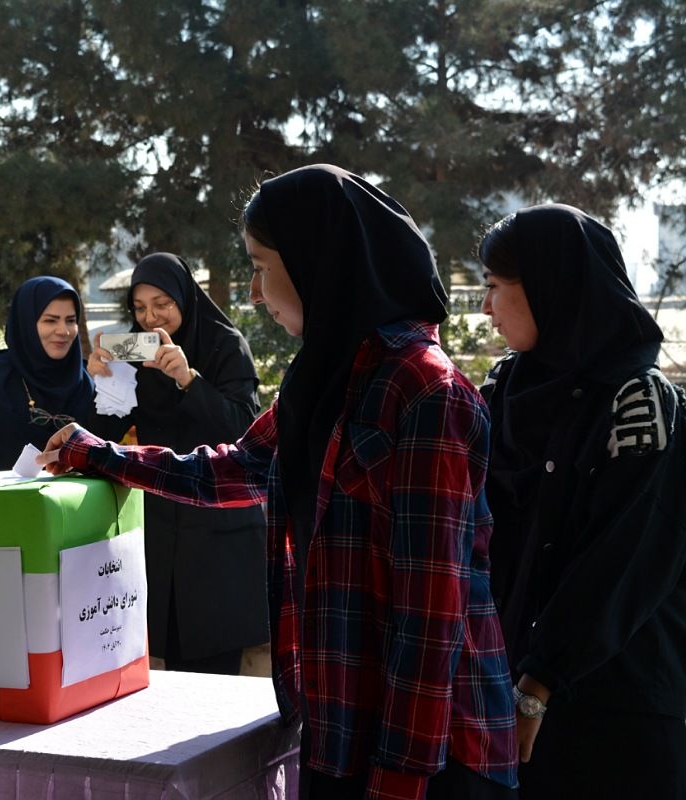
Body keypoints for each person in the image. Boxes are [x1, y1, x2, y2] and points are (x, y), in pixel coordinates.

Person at [38, 165, 518, 799]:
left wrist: (402, 776)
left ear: (317, 261)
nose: (257, 292)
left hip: (428, 756)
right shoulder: (324, 376)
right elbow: (234, 469)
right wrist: (99, 455)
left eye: (263, 266)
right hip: (341, 727)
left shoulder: (423, 389)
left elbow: (431, 610)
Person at [477, 204, 686, 799]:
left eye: (494, 287)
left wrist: (540, 682)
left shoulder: (637, 401)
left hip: (615, 706)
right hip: (511, 696)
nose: (485, 307)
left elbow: (626, 559)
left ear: (552, 286)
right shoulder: (504, 389)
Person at [86, 253, 267, 675]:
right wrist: (102, 383)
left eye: (162, 304)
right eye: (140, 308)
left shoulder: (225, 344)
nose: (151, 318)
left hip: (218, 530)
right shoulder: (133, 351)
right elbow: (105, 436)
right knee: (164, 663)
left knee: (216, 666)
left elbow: (245, 430)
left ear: (184, 298)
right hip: (162, 531)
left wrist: (189, 380)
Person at [0, 276, 93, 470]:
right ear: (25, 323)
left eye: (70, 320)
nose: (63, 331)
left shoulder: (89, 383)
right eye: (50, 321)